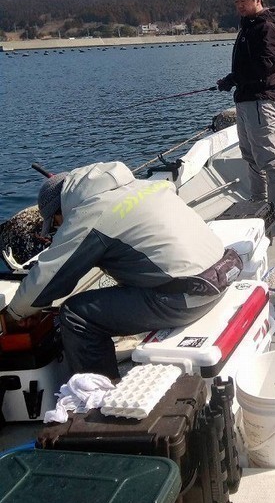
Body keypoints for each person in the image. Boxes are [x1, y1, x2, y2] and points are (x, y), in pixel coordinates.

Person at [0, 162, 238, 381]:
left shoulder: (91, 215)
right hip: (222, 273)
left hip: (187, 296)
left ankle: (96, 397)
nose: (57, 230)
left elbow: (48, 279)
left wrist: (12, 314)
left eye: (55, 224)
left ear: (61, 210)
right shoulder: (145, 186)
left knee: (75, 314)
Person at [217, 0, 275, 222]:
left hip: (261, 101)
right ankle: (259, 204)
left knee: (269, 159)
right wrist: (233, 80)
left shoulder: (266, 28)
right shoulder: (247, 26)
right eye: (236, 0)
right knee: (250, 157)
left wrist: (233, 78)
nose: (239, 4)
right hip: (246, 100)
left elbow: (264, 66)